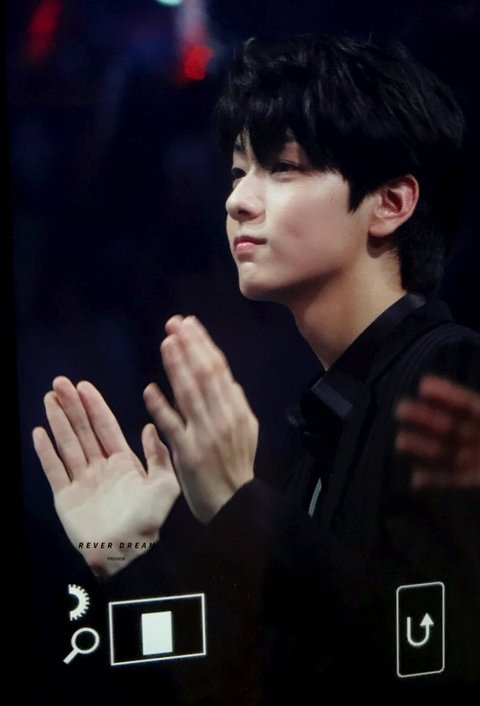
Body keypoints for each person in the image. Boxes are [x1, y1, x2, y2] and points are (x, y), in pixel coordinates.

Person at [32, 34, 480, 701]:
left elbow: (434, 650)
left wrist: (241, 505)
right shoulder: (326, 420)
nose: (237, 199)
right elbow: (248, 679)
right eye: (240, 171)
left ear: (390, 202)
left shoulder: (451, 367)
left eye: (283, 168)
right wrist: (127, 555)